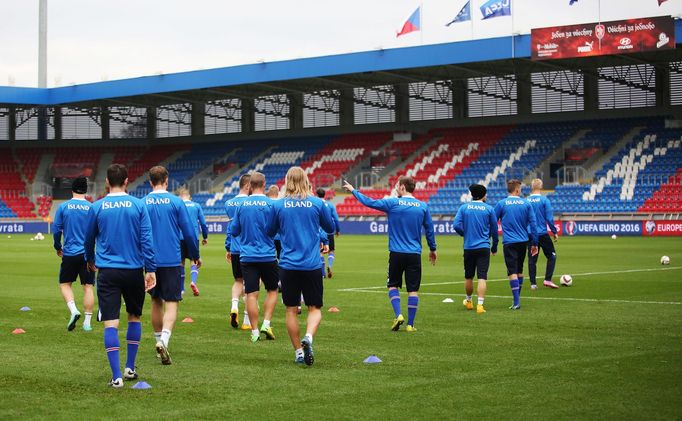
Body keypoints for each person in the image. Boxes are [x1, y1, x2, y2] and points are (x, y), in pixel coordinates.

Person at [84, 164, 157, 388]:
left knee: (111, 323)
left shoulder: (97, 207)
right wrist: (151, 268)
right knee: (134, 317)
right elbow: (147, 239)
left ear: (107, 181)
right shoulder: (138, 205)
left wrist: (90, 259)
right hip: (134, 270)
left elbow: (89, 238)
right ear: (127, 181)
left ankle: (116, 377)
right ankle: (130, 368)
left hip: (108, 272)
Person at [343, 176, 437, 332]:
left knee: (392, 285)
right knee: (413, 290)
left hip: (396, 253)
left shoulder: (393, 203)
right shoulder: (423, 206)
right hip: (414, 254)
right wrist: (433, 249)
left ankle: (399, 314)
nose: (395, 187)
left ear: (402, 187)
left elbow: (369, 202)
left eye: (397, 185)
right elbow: (429, 229)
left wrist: (353, 190)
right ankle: (410, 325)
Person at [268, 166, 335, 366]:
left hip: (288, 264)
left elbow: (269, 231)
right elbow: (330, 227)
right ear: (306, 180)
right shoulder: (316, 203)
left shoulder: (278, 205)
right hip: (312, 264)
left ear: (287, 181)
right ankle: (309, 337)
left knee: (290, 310)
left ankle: (298, 352)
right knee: (314, 308)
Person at [144, 166, 201, 365]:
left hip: (150, 261)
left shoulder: (143, 203)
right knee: (172, 303)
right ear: (166, 181)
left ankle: (158, 340)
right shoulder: (177, 202)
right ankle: (164, 341)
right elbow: (188, 232)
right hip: (172, 260)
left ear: (150, 182)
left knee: (155, 301)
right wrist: (194, 255)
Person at [228, 172, 279, 343]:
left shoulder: (241, 205)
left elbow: (234, 230)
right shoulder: (271, 204)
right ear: (264, 184)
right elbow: (275, 230)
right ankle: (266, 323)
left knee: (251, 293)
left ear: (250, 185)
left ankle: (255, 330)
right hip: (267, 255)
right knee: (272, 290)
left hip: (247, 256)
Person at [52, 176, 95, 331]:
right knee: (88, 287)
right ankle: (87, 323)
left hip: (69, 253)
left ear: (72, 189)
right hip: (87, 254)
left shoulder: (64, 207)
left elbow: (56, 230)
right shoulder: (92, 208)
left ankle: (73, 310)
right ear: (86, 190)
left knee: (65, 284)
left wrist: (58, 246)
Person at [453, 184, 498, 314]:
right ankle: (480, 305)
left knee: (468, 276)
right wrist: (494, 246)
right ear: (483, 194)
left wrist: (464, 233)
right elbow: (495, 230)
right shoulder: (489, 209)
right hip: (483, 246)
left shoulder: (464, 208)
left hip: (469, 247)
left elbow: (456, 225)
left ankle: (468, 301)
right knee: (482, 277)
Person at [494, 179, 539, 310]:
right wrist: (534, 243)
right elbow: (533, 224)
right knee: (519, 270)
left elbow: (492, 221)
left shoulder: (502, 203)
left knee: (512, 271)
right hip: (523, 241)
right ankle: (517, 299)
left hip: (509, 241)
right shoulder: (526, 203)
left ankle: (516, 301)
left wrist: (492, 238)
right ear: (517, 189)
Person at [225, 174, 252, 330]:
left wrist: (228, 247)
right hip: (250, 249)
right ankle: (247, 321)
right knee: (251, 285)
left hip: (235, 249)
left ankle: (234, 305)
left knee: (238, 281)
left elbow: (231, 229)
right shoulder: (251, 203)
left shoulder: (229, 204)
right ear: (247, 186)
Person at [526, 179, 559, 290]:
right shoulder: (544, 200)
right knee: (552, 256)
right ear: (541, 186)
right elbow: (549, 218)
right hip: (542, 234)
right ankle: (547, 280)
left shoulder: (526, 200)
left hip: (530, 234)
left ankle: (533, 284)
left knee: (532, 259)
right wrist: (554, 232)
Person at [178, 187, 209, 296]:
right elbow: (203, 223)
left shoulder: (178, 205)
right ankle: (193, 282)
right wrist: (205, 237)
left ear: (179, 196)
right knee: (193, 261)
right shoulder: (196, 206)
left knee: (181, 263)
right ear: (190, 197)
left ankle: (181, 289)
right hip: (193, 237)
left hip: (179, 237)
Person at [316, 188, 340, 278]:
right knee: (331, 251)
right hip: (329, 231)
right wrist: (337, 230)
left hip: (319, 231)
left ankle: (322, 274)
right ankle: (329, 266)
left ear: (316, 195)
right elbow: (336, 219)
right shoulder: (330, 205)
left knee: (321, 252)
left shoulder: (316, 204)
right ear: (324, 195)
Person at [266, 185, 281, 259]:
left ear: (269, 193)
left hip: (267, 237)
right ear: (278, 193)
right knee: (281, 258)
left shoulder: (265, 203)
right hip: (280, 237)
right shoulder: (282, 204)